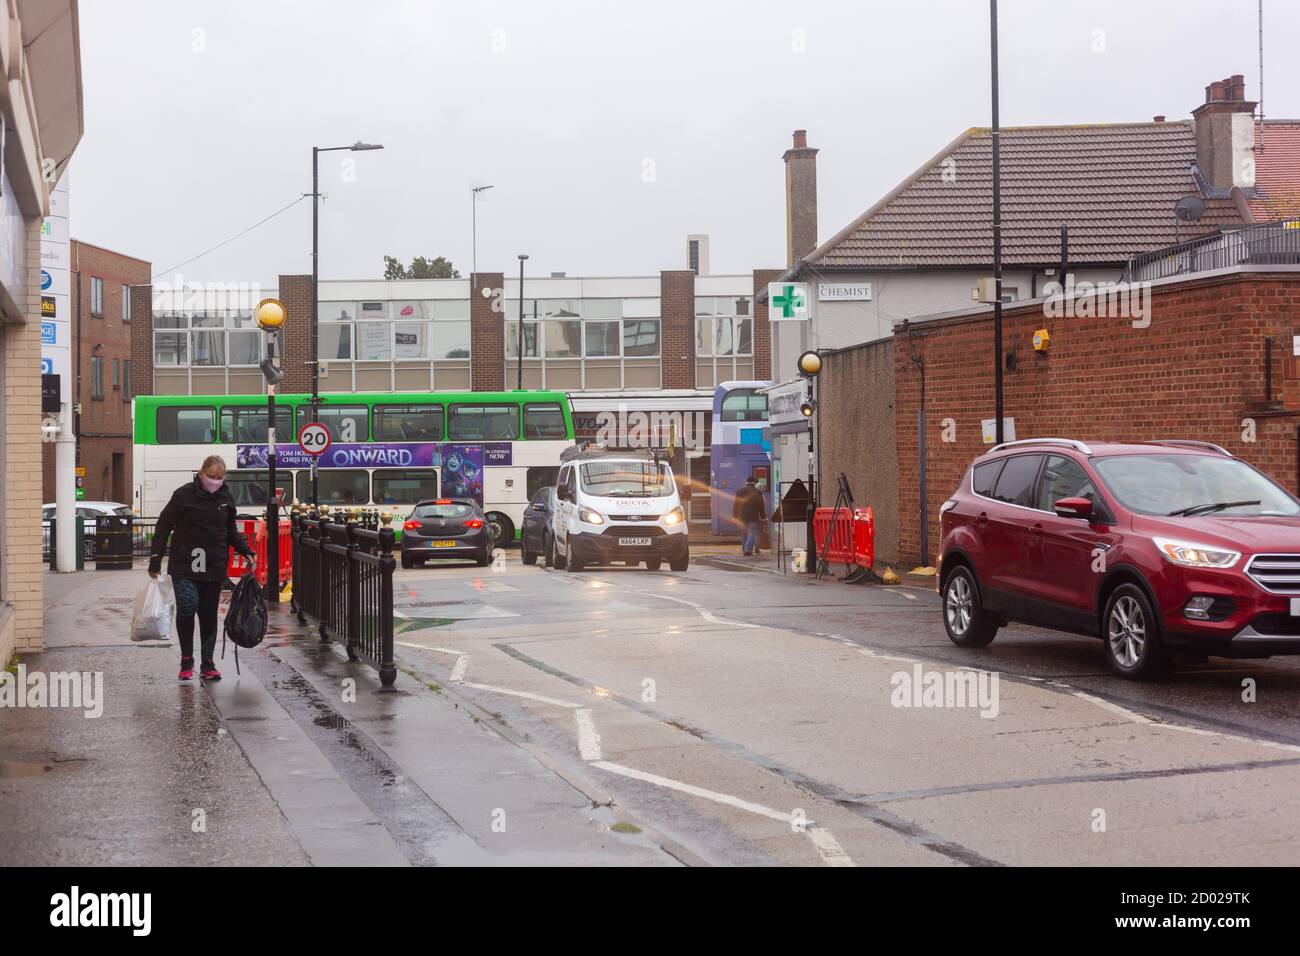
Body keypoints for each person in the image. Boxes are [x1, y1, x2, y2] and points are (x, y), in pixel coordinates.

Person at [148, 455, 255, 682]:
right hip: (185, 564)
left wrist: (246, 551)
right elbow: (164, 525)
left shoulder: (225, 497)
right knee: (188, 606)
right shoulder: (183, 495)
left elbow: (231, 531)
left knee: (208, 614)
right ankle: (187, 659)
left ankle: (208, 663)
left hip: (214, 565)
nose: (214, 481)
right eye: (211, 476)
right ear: (200, 473)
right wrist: (155, 559)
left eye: (219, 477)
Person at [732, 476, 766, 557]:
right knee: (752, 533)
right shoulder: (757, 492)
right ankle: (747, 550)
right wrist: (763, 516)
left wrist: (734, 515)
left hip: (742, 516)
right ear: (754, 482)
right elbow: (761, 505)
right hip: (753, 516)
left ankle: (745, 550)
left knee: (744, 534)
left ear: (746, 482)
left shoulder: (740, 491)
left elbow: (736, 504)